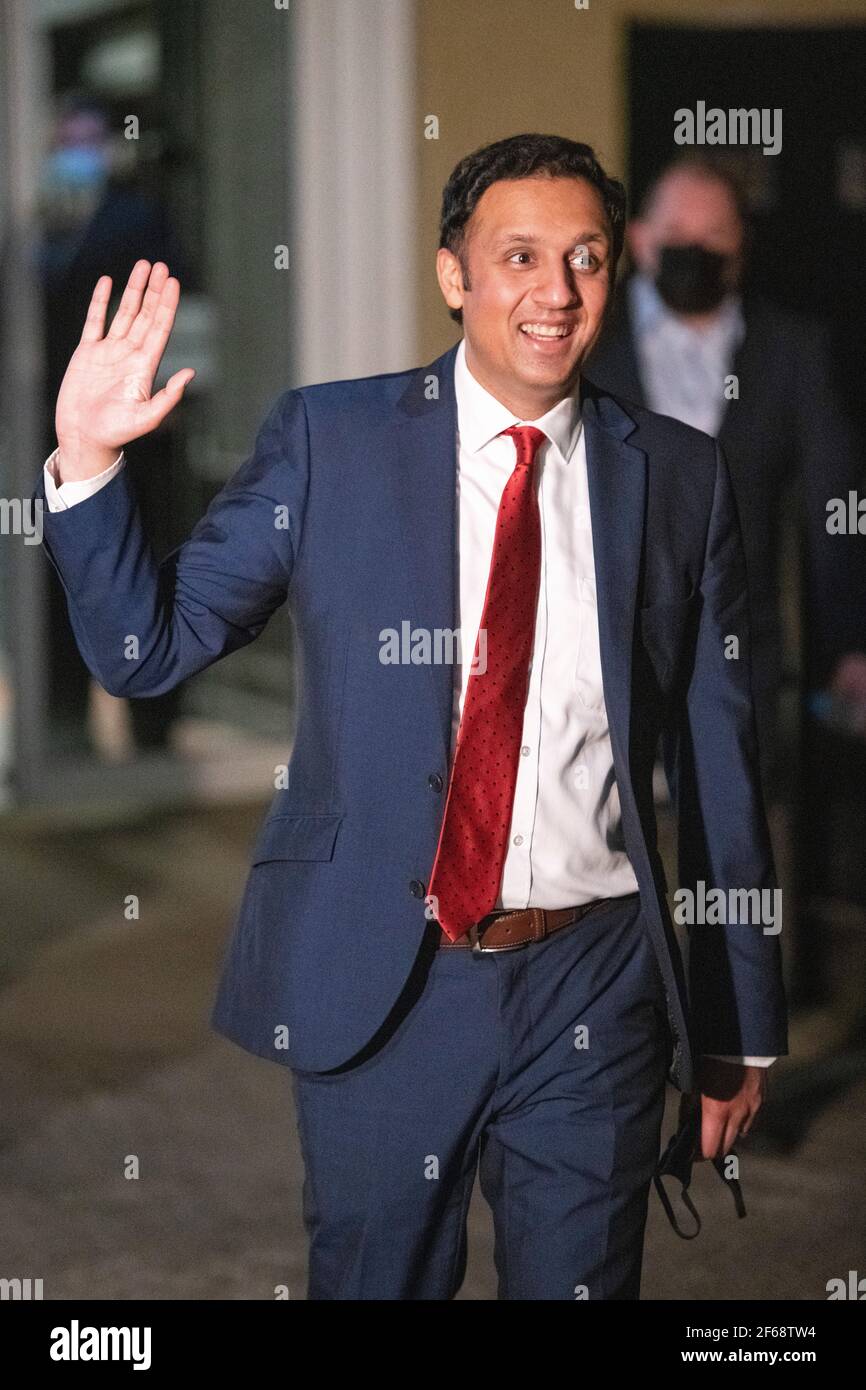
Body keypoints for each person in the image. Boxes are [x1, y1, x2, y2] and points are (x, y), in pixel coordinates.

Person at [33, 134, 787, 1301]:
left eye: (584, 257)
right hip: (388, 979)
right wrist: (84, 461)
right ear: (454, 276)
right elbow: (150, 652)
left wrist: (739, 1012)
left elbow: (717, 759)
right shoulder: (330, 443)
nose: (555, 290)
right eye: (519, 255)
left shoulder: (676, 478)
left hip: (593, 983)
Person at [587, 155, 866, 801]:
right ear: (640, 240)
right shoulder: (587, 340)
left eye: (715, 234)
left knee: (740, 862)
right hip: (600, 667)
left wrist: (848, 644)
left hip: (747, 668)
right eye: (678, 230)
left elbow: (834, 507)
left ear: (741, 248)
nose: (695, 248)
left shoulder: (791, 350)